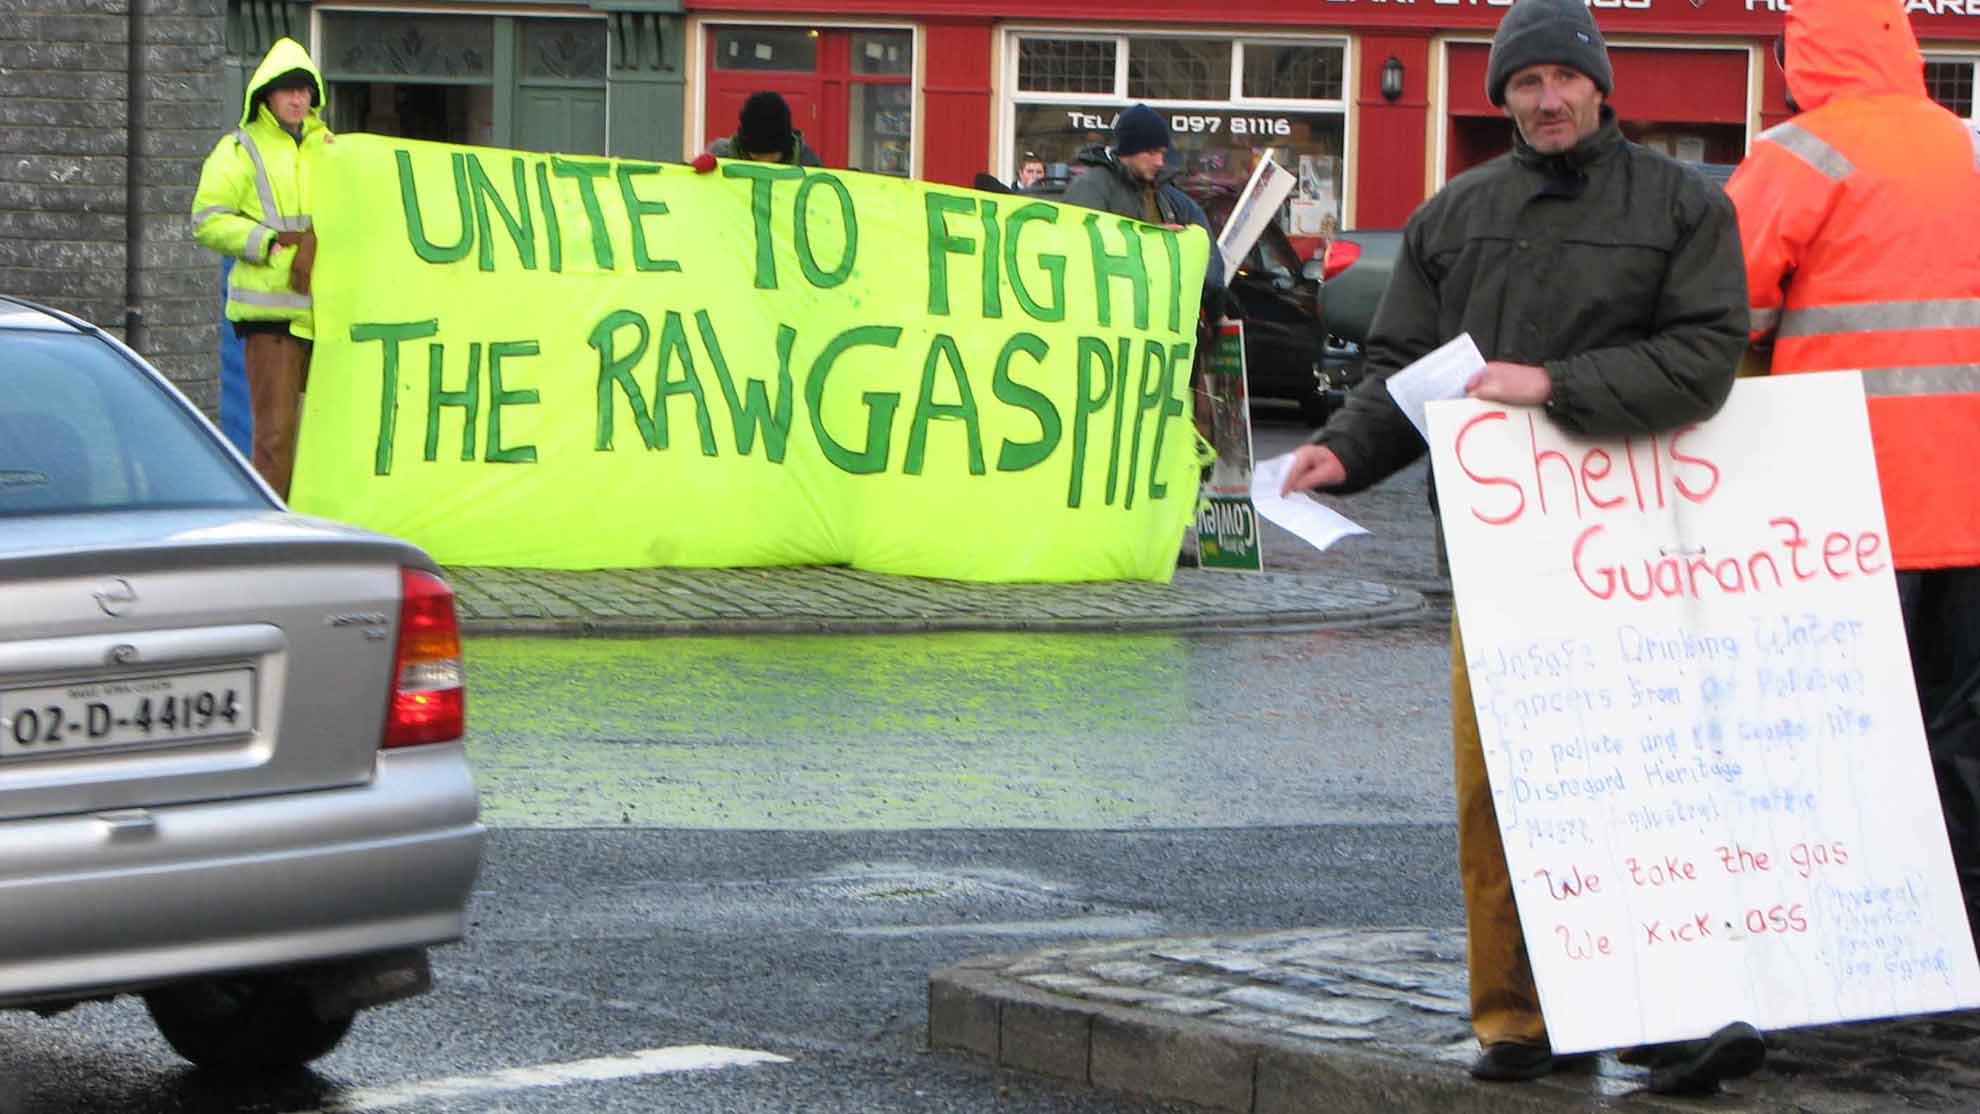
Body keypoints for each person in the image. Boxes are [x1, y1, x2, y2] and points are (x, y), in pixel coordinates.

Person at [1279, 0, 1764, 1094]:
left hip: (1647, 552)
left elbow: (1705, 356)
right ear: (1499, 99)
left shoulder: (1684, 205)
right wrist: (1341, 455)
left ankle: (1672, 1004)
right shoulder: (1456, 215)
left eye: (1563, 79)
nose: (1546, 100)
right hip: (1499, 562)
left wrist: (1553, 387)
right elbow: (1406, 371)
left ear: (1602, 87)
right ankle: (1519, 1016)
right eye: (1524, 84)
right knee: (1498, 791)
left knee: (1650, 783)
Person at [1726, 0, 1980, 943]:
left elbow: (1727, 302)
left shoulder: (1802, 152)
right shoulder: (1968, 144)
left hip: (1849, 503)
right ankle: (1960, 933)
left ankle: (1867, 934)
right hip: (1971, 508)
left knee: (1850, 732)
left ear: (1803, 55)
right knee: (1962, 732)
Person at [191, 36, 328, 501]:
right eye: (288, 90)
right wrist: (266, 243)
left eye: (305, 91)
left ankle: (314, 528)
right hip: (270, 316)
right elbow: (207, 220)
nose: (298, 99)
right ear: (265, 95)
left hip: (327, 311)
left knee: (324, 436)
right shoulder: (239, 148)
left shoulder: (329, 148)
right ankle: (271, 533)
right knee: (273, 437)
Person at [708, 91, 823, 167]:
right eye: (757, 156)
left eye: (772, 156)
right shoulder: (720, 156)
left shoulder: (809, 164)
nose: (764, 163)